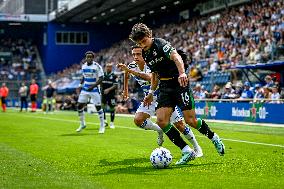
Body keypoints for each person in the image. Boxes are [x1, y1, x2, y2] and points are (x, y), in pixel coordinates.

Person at [129, 23, 225, 165]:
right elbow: (155, 74)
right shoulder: (145, 53)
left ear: (149, 35)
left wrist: (182, 73)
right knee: (161, 121)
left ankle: (214, 137)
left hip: (179, 84)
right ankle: (186, 151)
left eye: (144, 41)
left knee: (190, 121)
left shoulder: (161, 44)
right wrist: (150, 92)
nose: (142, 45)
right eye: (139, 43)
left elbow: (176, 56)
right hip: (165, 87)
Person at [118, 45, 203, 158]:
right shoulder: (132, 66)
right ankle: (159, 130)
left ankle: (197, 148)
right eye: (133, 54)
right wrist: (126, 90)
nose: (135, 57)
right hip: (149, 99)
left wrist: (130, 71)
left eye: (138, 54)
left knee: (180, 125)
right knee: (138, 120)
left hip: (164, 97)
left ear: (144, 54)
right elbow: (126, 74)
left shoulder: (151, 64)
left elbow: (150, 78)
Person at [76, 51, 105, 134]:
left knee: (98, 107)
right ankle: (82, 124)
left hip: (94, 89)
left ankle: (102, 126)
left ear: (93, 58)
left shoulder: (97, 66)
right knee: (79, 106)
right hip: (85, 89)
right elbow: (84, 76)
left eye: (90, 57)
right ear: (86, 58)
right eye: (87, 57)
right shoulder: (83, 66)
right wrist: (79, 84)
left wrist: (93, 86)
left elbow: (101, 78)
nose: (89, 58)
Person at [101, 63, 118, 129]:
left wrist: (108, 89)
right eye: (107, 67)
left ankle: (112, 123)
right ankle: (105, 122)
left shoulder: (114, 76)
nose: (108, 68)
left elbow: (115, 85)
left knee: (112, 108)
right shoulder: (103, 75)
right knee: (103, 108)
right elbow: (101, 84)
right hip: (104, 95)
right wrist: (101, 91)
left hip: (111, 95)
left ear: (112, 68)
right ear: (105, 67)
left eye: (110, 67)